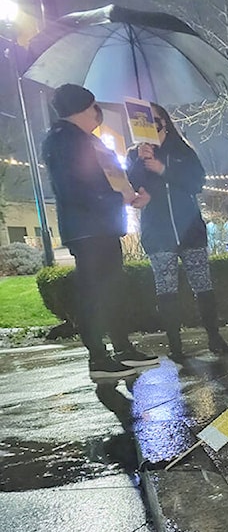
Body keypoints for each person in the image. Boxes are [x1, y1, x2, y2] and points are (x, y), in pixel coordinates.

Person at [41, 84, 159, 380]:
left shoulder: (84, 139)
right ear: (85, 107)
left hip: (102, 226)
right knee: (96, 293)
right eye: (95, 106)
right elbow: (74, 188)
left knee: (113, 290)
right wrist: (115, 199)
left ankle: (122, 348)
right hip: (87, 229)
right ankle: (98, 357)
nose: (99, 113)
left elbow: (112, 180)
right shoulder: (62, 140)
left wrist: (133, 192)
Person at [126, 103, 228, 362]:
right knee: (166, 290)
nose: (153, 125)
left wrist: (163, 169)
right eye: (147, 121)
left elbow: (197, 182)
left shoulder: (181, 149)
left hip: (190, 230)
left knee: (203, 286)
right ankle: (175, 345)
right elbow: (131, 184)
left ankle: (214, 337)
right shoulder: (134, 154)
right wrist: (142, 163)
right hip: (158, 232)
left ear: (165, 121)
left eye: (157, 119)